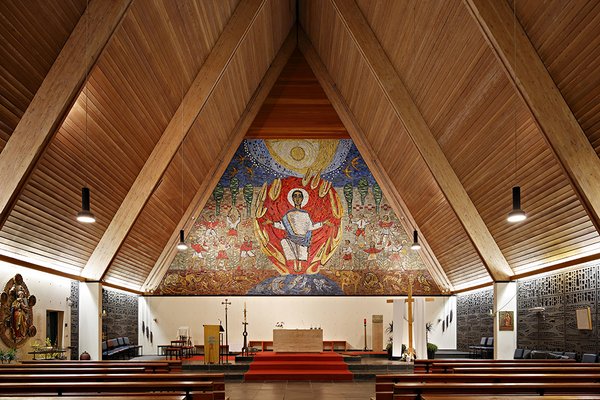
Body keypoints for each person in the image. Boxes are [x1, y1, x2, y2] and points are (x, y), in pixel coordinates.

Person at [266, 189, 331, 272]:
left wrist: (323, 223)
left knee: (302, 255)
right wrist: (271, 223)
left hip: (303, 239)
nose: (297, 198)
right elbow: (283, 225)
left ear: (302, 199)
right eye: (295, 196)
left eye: (299, 196)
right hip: (291, 238)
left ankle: (300, 266)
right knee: (284, 242)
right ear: (292, 199)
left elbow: (310, 227)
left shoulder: (305, 214)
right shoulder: (289, 214)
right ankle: (294, 266)